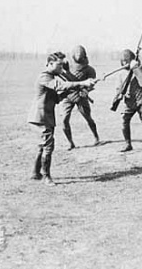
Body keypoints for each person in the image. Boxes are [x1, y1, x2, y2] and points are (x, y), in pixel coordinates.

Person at [27, 52, 96, 186]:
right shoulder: (44, 76)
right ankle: (47, 177)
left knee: (43, 145)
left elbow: (57, 97)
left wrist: (82, 89)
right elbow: (60, 86)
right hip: (39, 117)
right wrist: (82, 82)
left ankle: (35, 173)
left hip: (46, 116)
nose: (61, 68)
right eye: (59, 65)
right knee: (48, 145)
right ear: (49, 64)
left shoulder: (52, 76)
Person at [60, 45, 100, 150]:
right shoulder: (66, 66)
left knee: (88, 118)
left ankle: (96, 137)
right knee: (64, 120)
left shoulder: (90, 70)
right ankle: (71, 143)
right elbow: (64, 81)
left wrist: (86, 90)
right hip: (67, 95)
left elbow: (91, 84)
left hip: (81, 96)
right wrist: (65, 71)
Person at [115, 49, 142, 152]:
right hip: (129, 102)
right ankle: (127, 144)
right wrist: (120, 94)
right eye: (123, 61)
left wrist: (136, 68)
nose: (124, 63)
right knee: (124, 121)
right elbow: (118, 87)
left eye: (126, 61)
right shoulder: (121, 74)